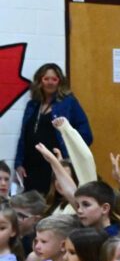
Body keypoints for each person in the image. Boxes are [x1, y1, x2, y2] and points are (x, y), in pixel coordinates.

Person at [14, 63, 92, 195]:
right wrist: (18, 163)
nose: (50, 83)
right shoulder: (32, 105)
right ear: (39, 81)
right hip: (31, 168)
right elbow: (23, 137)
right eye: (46, 79)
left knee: (53, 202)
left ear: (60, 82)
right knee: (33, 204)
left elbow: (86, 135)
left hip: (56, 167)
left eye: (54, 79)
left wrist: (68, 159)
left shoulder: (69, 103)